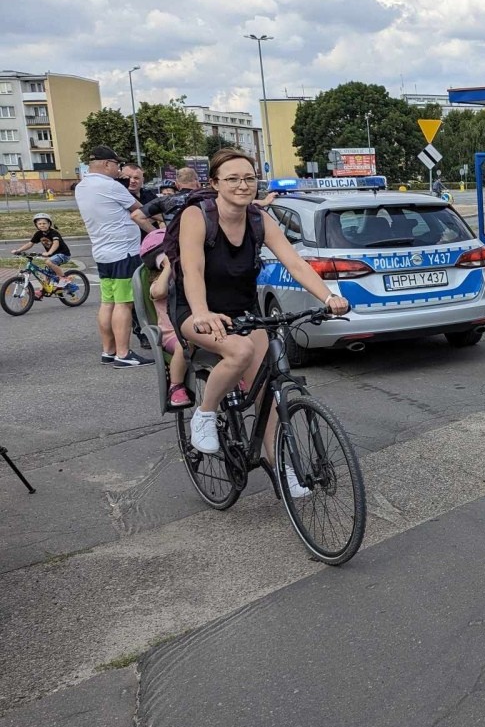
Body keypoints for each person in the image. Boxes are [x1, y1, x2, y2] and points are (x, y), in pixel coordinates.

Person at [173, 149, 350, 496]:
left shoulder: (258, 219)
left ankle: (283, 470)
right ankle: (205, 414)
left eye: (249, 178)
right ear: (215, 184)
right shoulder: (197, 216)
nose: (243, 185)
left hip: (243, 310)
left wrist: (328, 297)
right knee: (237, 352)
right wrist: (202, 312)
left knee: (268, 394)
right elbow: (191, 269)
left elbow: (295, 264)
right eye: (233, 179)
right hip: (197, 309)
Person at [74, 145, 156, 368]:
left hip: (102, 252)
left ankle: (108, 351)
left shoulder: (82, 187)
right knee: (124, 303)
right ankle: (123, 354)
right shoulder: (111, 186)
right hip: (124, 253)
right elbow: (141, 210)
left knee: (107, 303)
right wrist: (160, 230)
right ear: (107, 164)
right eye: (117, 165)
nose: (119, 170)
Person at [140, 229, 192, 408]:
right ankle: (176, 385)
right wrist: (169, 265)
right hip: (171, 333)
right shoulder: (156, 283)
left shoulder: (187, 275)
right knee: (184, 344)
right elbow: (159, 292)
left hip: (194, 326)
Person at [10, 212, 72, 286]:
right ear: (36, 225)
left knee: (48, 262)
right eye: (39, 224)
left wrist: (49, 252)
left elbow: (56, 243)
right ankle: (42, 290)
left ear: (49, 224)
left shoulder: (54, 233)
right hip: (53, 256)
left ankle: (64, 279)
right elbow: (30, 244)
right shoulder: (38, 234)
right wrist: (18, 250)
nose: (42, 225)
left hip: (63, 254)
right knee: (46, 273)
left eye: (44, 223)